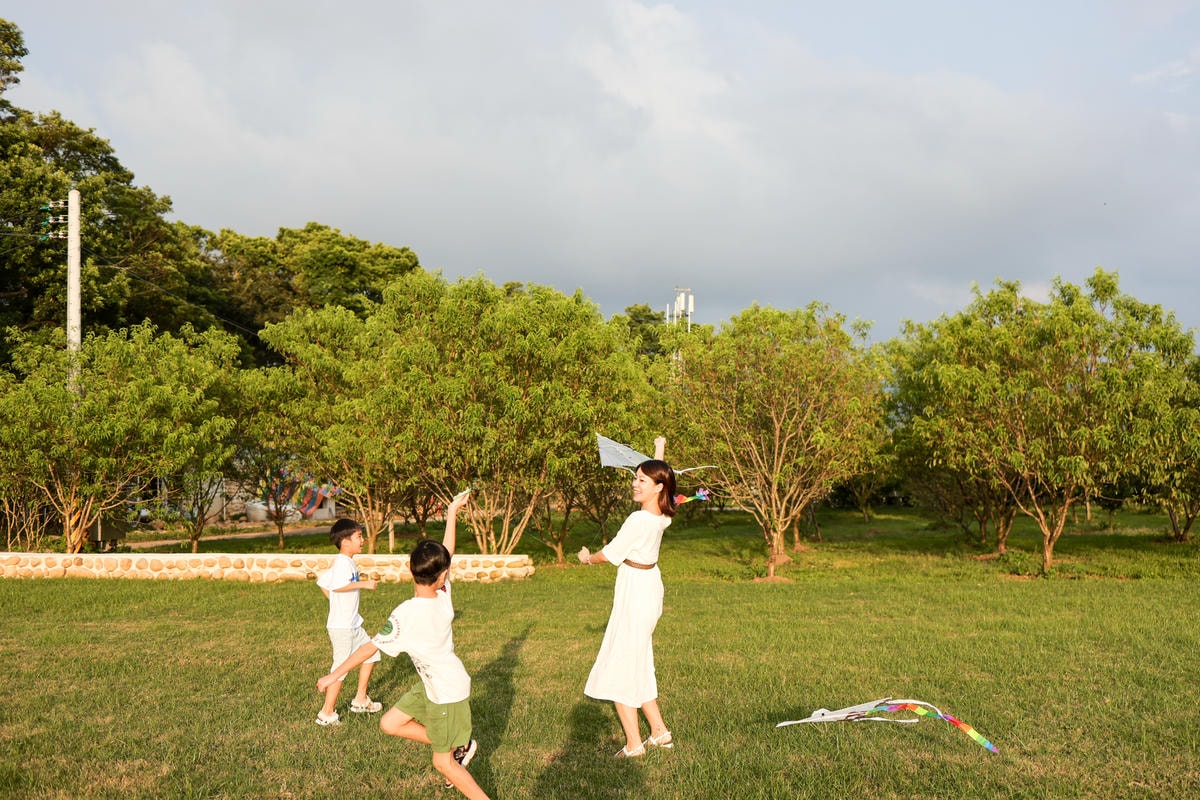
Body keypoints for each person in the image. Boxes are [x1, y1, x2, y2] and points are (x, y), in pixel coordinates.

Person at [317, 490, 490, 799]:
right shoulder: (444, 595)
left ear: (410, 569)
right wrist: (450, 512)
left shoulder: (406, 614)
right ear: (443, 575)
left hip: (446, 694)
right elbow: (447, 552)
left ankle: (456, 754)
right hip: (433, 683)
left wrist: (334, 675)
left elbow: (369, 647)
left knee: (444, 764)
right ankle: (453, 744)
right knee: (390, 723)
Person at [578, 436, 677, 757]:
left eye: (641, 480)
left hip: (637, 590)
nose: (634, 484)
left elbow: (610, 553)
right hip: (648, 586)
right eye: (635, 478)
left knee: (622, 665)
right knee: (639, 659)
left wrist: (586, 558)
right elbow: (663, 477)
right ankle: (659, 732)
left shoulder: (639, 519)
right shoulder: (664, 513)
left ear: (657, 487)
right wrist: (658, 453)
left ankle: (635, 745)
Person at [315, 518, 381, 726]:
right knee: (340, 669)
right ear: (345, 541)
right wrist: (365, 583)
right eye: (359, 537)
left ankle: (361, 699)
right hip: (343, 628)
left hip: (353, 624)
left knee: (372, 653)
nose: (363, 540)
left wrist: (336, 603)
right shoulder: (342, 562)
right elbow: (337, 586)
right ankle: (327, 713)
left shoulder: (346, 562)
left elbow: (323, 582)